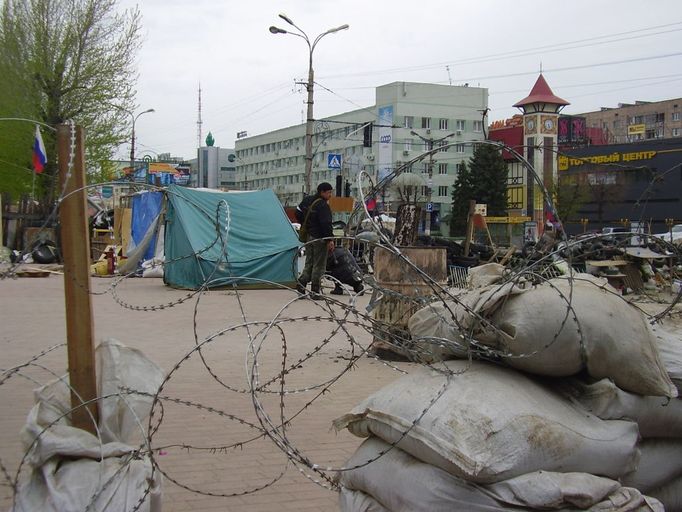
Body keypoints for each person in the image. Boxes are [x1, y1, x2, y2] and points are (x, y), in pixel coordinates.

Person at [296, 182, 335, 299]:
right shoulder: (323, 205)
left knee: (309, 262)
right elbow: (326, 224)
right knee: (319, 265)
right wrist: (330, 240)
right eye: (329, 192)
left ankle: (301, 284)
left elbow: (297, 212)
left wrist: (306, 224)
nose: (330, 195)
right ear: (322, 192)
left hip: (309, 237)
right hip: (320, 238)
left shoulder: (307, 200)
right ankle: (315, 291)